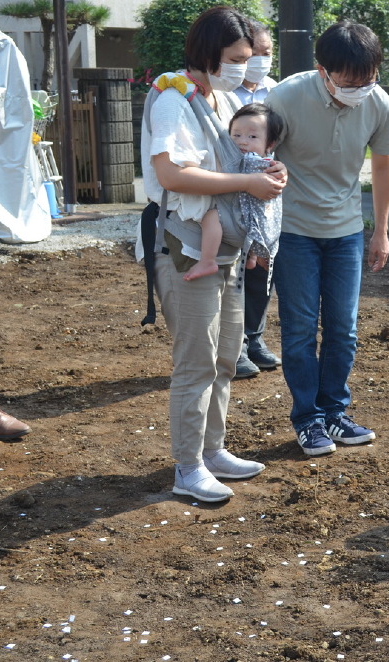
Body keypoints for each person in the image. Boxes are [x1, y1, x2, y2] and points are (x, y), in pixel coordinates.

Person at [141, 6, 287, 502]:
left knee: (226, 356)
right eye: (235, 58)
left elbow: (241, 158)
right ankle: (187, 467)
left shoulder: (220, 101)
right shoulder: (172, 100)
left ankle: (212, 450)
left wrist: (266, 174)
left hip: (225, 248)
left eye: (248, 58)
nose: (244, 67)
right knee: (196, 362)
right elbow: (172, 176)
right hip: (185, 247)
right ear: (208, 54)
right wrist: (249, 181)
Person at [264, 21, 389, 457]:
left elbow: (382, 166)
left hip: (346, 232)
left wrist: (380, 230)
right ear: (324, 70)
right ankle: (307, 418)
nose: (360, 88)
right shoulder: (285, 96)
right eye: (349, 81)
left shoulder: (377, 101)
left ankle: (334, 412)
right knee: (301, 329)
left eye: (368, 79)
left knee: (343, 329)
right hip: (294, 230)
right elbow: (258, 156)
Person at [183, 103, 285, 282]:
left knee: (211, 215)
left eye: (252, 136)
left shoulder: (250, 160)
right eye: (236, 135)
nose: (242, 141)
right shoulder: (270, 162)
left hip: (244, 219)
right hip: (258, 224)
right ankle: (252, 256)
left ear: (269, 144)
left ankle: (207, 260)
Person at [233, 20, 282, 378]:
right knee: (235, 270)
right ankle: (233, 344)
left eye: (267, 53)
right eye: (254, 54)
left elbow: (283, 146)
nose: (261, 60)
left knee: (263, 266)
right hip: (231, 195)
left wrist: (281, 171)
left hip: (266, 197)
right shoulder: (221, 92)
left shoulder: (277, 93)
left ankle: (254, 337)